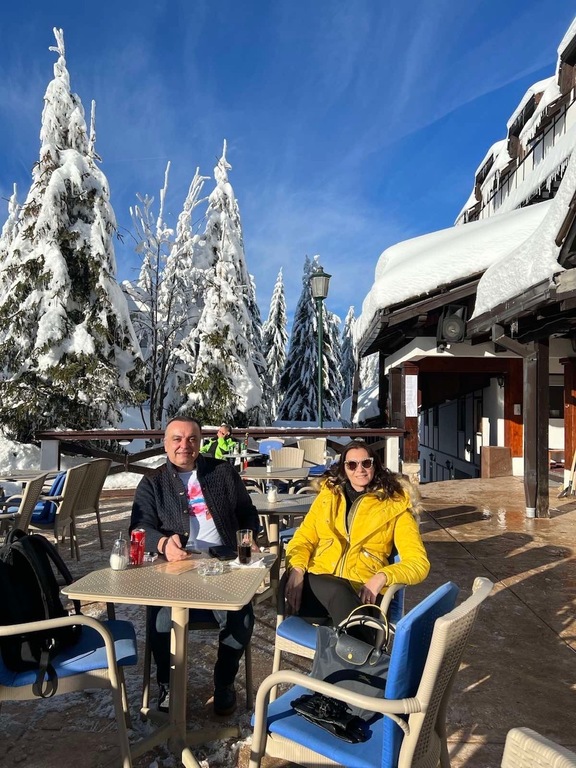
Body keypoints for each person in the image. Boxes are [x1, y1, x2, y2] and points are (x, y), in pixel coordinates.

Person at [130, 416, 259, 716]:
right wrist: (163, 544)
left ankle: (224, 683)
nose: (184, 445)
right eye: (177, 439)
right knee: (161, 621)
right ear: (165, 443)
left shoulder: (222, 472)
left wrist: (249, 535)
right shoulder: (152, 483)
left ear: (200, 442)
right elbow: (139, 527)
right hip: (175, 570)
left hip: (223, 565)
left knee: (242, 619)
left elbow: (247, 511)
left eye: (191, 439)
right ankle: (168, 685)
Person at [284, 440, 430, 637]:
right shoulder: (328, 498)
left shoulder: (395, 506)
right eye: (352, 465)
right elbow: (303, 539)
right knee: (336, 590)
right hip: (318, 588)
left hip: (363, 593)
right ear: (344, 469)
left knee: (343, 597)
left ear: (375, 465)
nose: (359, 469)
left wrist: (382, 577)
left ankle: (355, 651)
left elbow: (418, 563)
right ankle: (365, 653)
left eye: (366, 463)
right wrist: (297, 569)